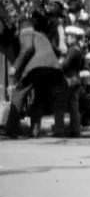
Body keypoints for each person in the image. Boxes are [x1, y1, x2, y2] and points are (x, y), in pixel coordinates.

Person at [2, 10, 65, 138]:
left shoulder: (26, 33)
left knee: (19, 93)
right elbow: (56, 50)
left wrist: (16, 66)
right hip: (53, 67)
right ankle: (36, 130)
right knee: (39, 98)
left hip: (36, 68)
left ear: (21, 26)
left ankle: (11, 128)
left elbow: (28, 48)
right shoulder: (41, 35)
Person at [60, 25, 86, 137]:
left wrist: (60, 63)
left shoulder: (72, 50)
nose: (67, 39)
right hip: (76, 78)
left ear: (74, 37)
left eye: (69, 37)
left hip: (70, 79)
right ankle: (75, 129)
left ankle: (72, 130)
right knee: (73, 106)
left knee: (70, 106)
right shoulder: (78, 49)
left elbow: (65, 65)